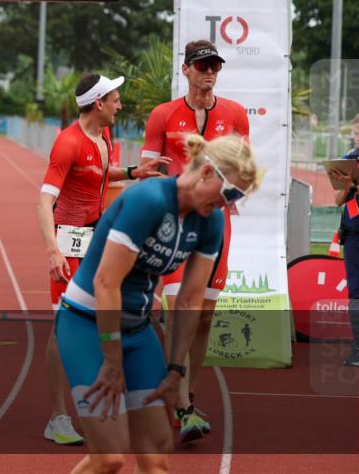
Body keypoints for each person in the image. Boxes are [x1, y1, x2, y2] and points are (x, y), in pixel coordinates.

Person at [56, 135, 259, 473]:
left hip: (136, 330)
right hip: (88, 326)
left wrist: (176, 369)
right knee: (109, 457)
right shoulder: (148, 200)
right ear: (207, 172)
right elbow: (106, 282)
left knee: (156, 460)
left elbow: (191, 299)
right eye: (231, 193)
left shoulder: (211, 221)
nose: (228, 204)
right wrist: (111, 358)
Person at [39, 74, 168, 445]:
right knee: (63, 329)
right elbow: (44, 201)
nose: (120, 105)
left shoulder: (105, 137)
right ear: (99, 104)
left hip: (97, 237)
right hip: (67, 240)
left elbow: (97, 174)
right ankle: (57, 417)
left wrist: (132, 173)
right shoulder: (67, 143)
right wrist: (52, 250)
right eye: (116, 99)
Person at [140, 39, 249, 440]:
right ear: (185, 69)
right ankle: (183, 407)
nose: (209, 71)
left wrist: (230, 196)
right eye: (202, 65)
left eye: (215, 66)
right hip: (174, 222)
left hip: (217, 225)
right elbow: (148, 168)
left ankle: (187, 394)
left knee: (203, 318)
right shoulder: (163, 115)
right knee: (179, 314)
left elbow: (244, 169)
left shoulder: (235, 113)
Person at [329, 111, 359, 367]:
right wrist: (345, 185)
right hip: (354, 236)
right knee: (357, 292)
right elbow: (338, 200)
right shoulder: (347, 159)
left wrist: (355, 186)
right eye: (356, 133)